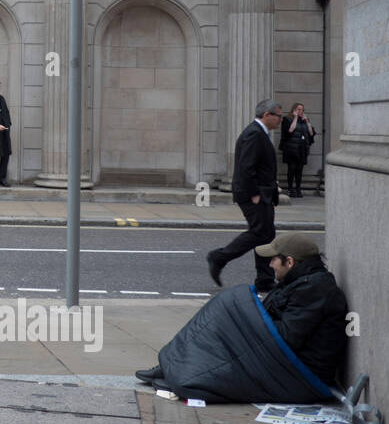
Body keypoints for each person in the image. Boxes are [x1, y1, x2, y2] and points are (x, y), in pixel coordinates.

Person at [136, 232, 347, 392]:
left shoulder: (314, 290)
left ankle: (176, 368)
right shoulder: (297, 282)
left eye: (274, 258)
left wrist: (246, 320)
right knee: (217, 322)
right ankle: (171, 364)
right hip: (283, 361)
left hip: (301, 374)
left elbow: (286, 338)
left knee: (213, 361)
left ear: (289, 262)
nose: (271, 263)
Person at [207, 99, 281, 293]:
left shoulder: (259, 134)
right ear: (267, 115)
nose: (281, 120)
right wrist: (254, 193)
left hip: (262, 194)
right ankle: (219, 257)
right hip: (254, 195)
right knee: (260, 233)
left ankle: (265, 280)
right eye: (279, 116)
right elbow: (246, 166)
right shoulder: (254, 134)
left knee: (266, 235)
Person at [279, 102, 317, 198]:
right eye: (299, 109)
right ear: (294, 110)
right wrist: (295, 118)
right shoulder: (287, 119)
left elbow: (311, 133)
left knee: (299, 170)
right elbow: (290, 131)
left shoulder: (305, 121)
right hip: (291, 149)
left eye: (302, 110)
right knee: (291, 168)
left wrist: (307, 122)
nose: (301, 111)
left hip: (302, 149)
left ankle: (298, 189)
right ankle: (290, 188)